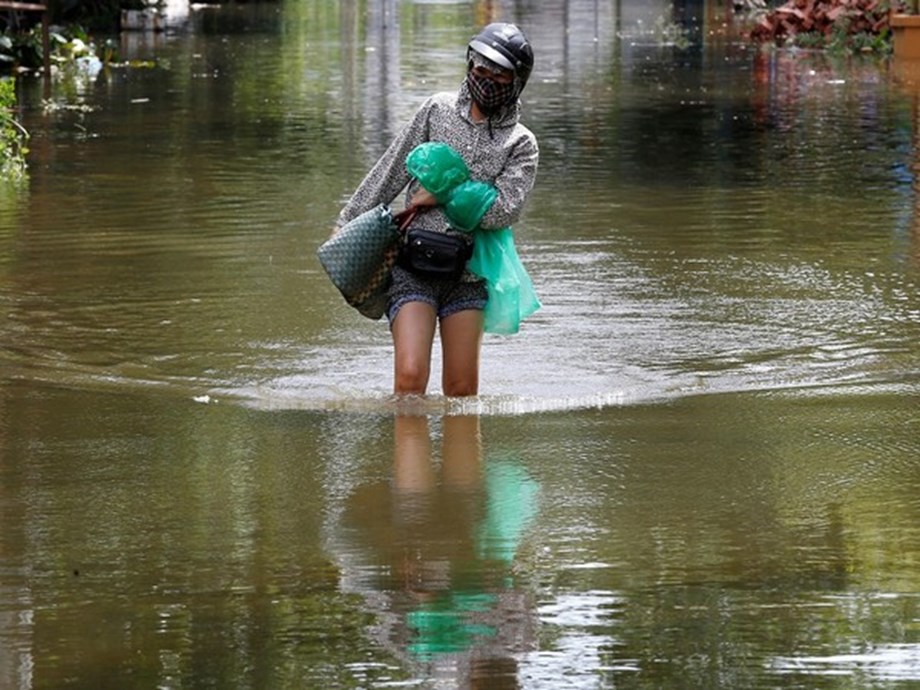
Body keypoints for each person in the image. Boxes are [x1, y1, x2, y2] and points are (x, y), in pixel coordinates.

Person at [336, 23, 539, 397]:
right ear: (470, 64)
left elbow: (503, 210)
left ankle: (459, 456)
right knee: (410, 378)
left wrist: (442, 191)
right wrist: (347, 224)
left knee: (461, 392)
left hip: (469, 275)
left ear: (516, 81)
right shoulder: (437, 110)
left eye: (500, 74)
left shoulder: (521, 144)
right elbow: (392, 168)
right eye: (481, 68)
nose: (488, 79)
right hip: (413, 266)